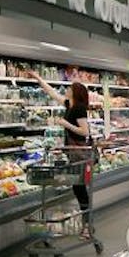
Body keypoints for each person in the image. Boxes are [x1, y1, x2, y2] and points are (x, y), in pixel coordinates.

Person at [24, 71, 93, 234]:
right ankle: (85, 224)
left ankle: (86, 225)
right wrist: (37, 78)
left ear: (75, 92)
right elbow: (52, 92)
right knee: (78, 187)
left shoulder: (80, 109)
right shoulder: (70, 105)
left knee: (80, 188)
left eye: (70, 88)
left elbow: (85, 132)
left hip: (79, 153)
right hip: (71, 151)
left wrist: (65, 124)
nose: (67, 90)